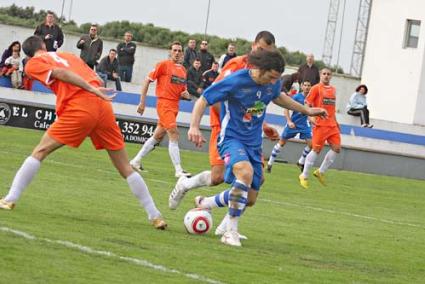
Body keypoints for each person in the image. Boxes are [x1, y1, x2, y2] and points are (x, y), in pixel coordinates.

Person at [0, 36, 167, 229]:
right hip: (103, 107)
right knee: (125, 167)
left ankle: (10, 199)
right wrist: (93, 88)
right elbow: (93, 76)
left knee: (39, 152)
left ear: (29, 53)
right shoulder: (69, 55)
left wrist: (88, 89)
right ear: (44, 45)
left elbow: (60, 73)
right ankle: (155, 215)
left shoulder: (33, 63)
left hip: (80, 106)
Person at [187, 50, 326, 246]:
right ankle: (230, 232)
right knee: (245, 172)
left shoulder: (273, 83)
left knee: (249, 198)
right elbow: (204, 99)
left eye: (276, 79)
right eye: (270, 77)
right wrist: (194, 126)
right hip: (231, 138)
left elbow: (278, 96)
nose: (273, 82)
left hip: (253, 143)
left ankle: (206, 203)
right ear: (260, 69)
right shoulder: (236, 81)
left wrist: (307, 110)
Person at [168, 31, 278, 213]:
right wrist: (200, 124)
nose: (262, 55)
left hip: (246, 130)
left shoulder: (266, 73)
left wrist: (263, 125)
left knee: (251, 180)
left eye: (266, 52)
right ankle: (185, 184)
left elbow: (254, 103)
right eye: (260, 49)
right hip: (224, 126)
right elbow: (213, 94)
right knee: (218, 176)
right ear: (253, 45)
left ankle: (226, 225)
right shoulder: (236, 65)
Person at [130, 41, 192, 178]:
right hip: (164, 105)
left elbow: (183, 92)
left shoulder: (183, 71)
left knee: (157, 136)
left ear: (182, 53)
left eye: (179, 51)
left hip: (175, 106)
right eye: (174, 50)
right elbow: (147, 80)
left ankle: (135, 161)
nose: (177, 53)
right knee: (174, 133)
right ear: (170, 52)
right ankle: (178, 170)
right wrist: (142, 102)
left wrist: (186, 96)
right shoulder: (163, 65)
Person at [299, 68, 340, 189]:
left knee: (337, 148)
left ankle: (320, 172)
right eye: (324, 74)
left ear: (331, 76)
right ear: (320, 75)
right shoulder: (316, 88)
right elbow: (307, 104)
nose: (326, 76)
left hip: (332, 125)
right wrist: (311, 117)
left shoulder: (333, 90)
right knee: (316, 150)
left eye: (328, 74)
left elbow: (332, 108)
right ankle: (304, 175)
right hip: (320, 124)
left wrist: (336, 121)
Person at [267, 80, 313, 173]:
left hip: (304, 124)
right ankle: (270, 163)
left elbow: (310, 112)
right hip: (294, 123)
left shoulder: (311, 98)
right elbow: (286, 109)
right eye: (305, 85)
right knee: (282, 143)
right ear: (301, 86)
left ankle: (301, 162)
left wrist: (313, 121)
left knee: (312, 144)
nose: (307, 87)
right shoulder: (296, 97)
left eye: (309, 85)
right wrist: (289, 121)